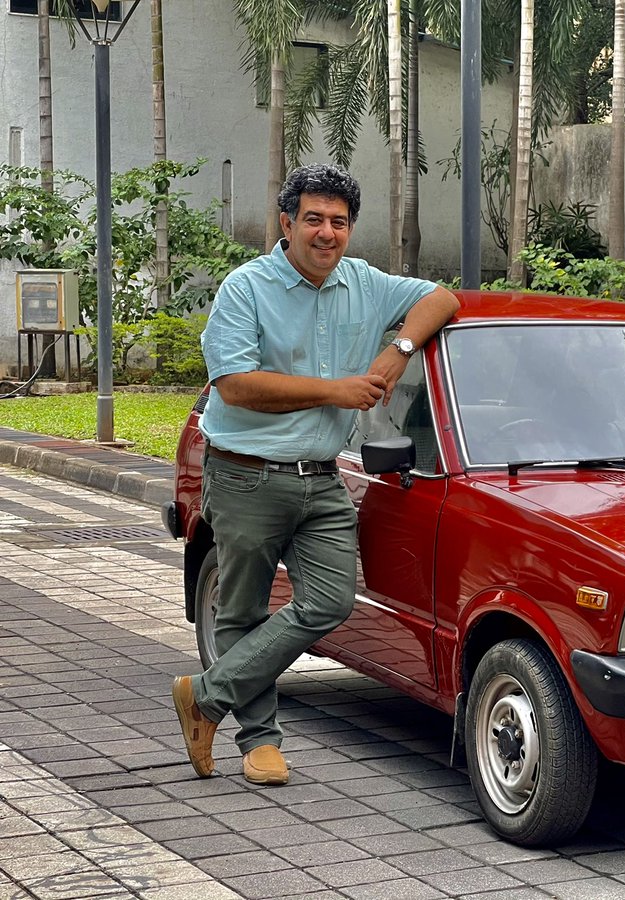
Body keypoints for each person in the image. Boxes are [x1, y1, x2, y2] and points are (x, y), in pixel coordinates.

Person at [171, 164, 459, 786]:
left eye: (339, 222)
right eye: (314, 219)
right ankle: (260, 741)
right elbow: (237, 386)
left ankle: (206, 695)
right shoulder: (246, 289)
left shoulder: (365, 283)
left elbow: (443, 298)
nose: (327, 233)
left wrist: (396, 351)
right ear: (286, 223)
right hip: (247, 474)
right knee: (242, 609)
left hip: (323, 479)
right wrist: (335, 391)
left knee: (329, 602)